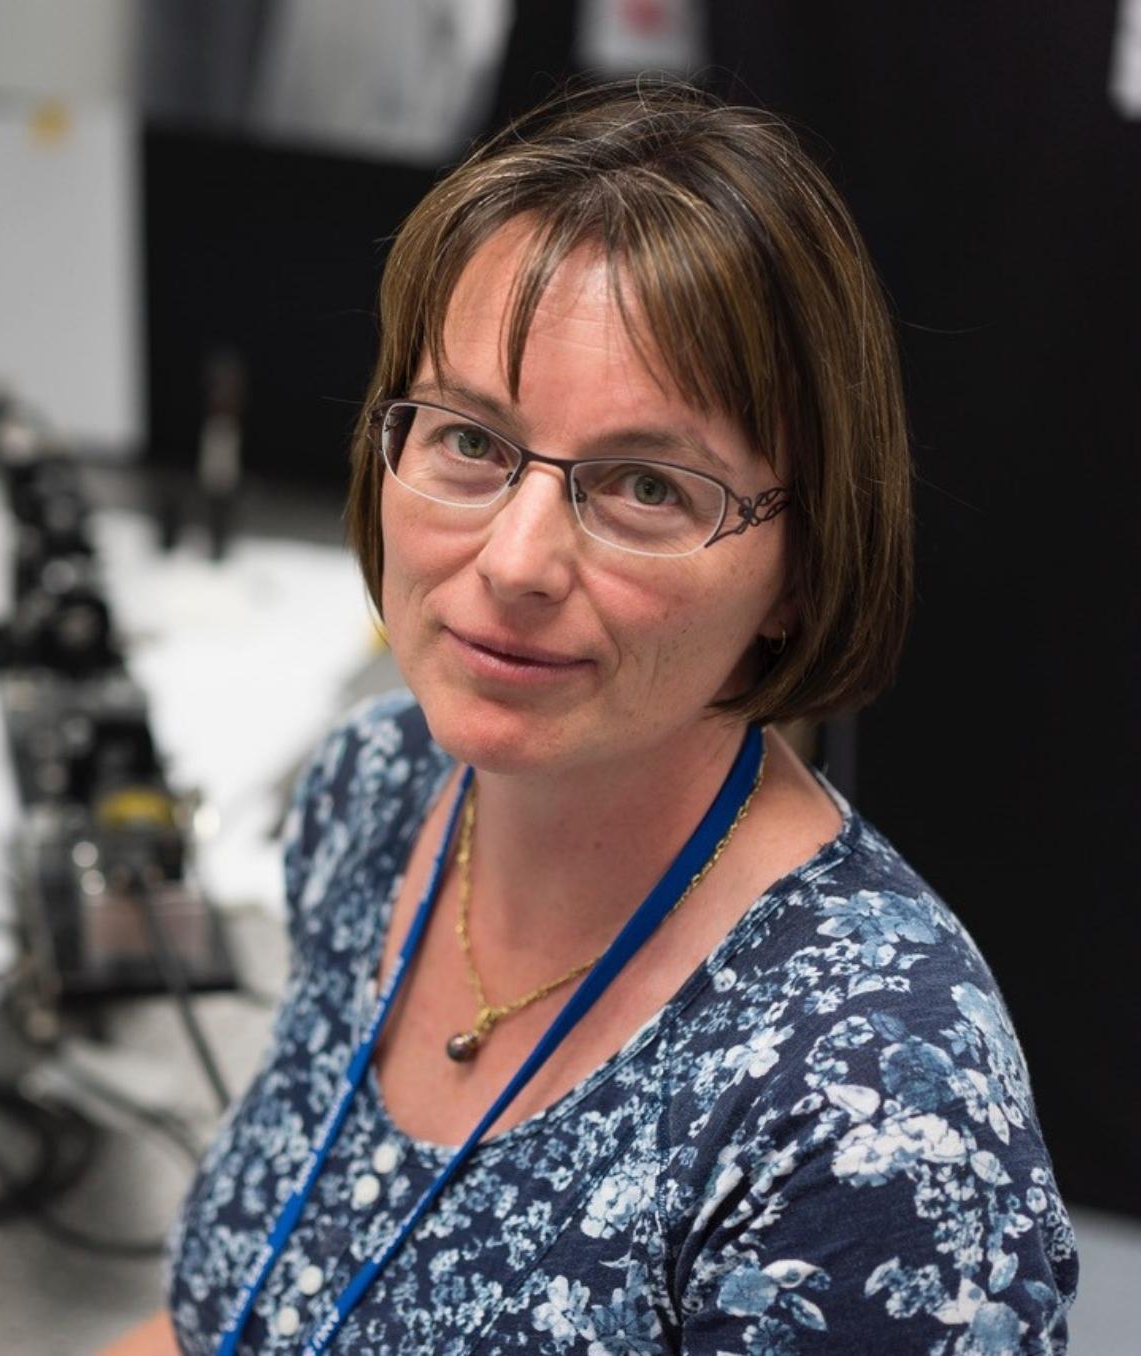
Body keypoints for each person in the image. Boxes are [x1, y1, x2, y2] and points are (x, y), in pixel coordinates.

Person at [104, 80, 1077, 1354]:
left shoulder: (874, 1114)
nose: (515, 560)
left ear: (798, 571)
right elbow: (243, 1320)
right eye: (468, 440)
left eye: (643, 488)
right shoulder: (375, 793)